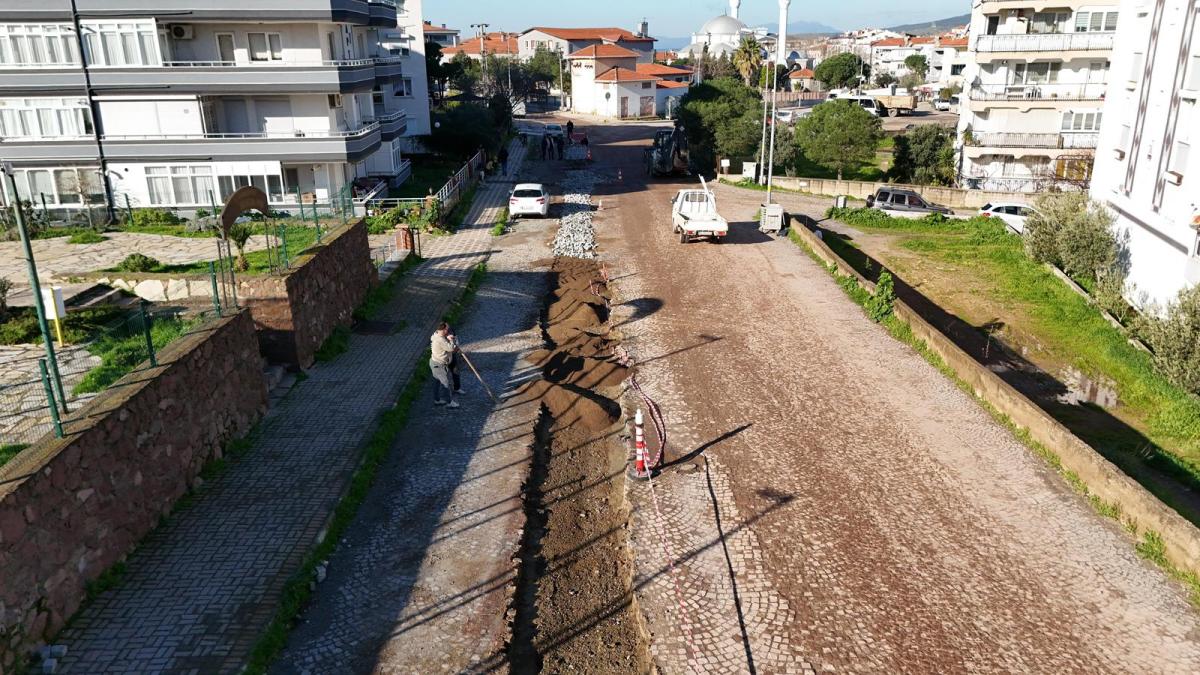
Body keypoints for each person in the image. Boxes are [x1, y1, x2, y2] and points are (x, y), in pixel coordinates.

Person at [430, 323, 459, 408]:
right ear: (443, 330)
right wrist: (451, 340)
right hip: (438, 365)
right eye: (447, 329)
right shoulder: (440, 340)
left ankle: (437, 400)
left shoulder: (436, 335)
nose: (448, 331)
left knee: (437, 382)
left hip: (435, 363)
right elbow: (451, 348)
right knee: (445, 383)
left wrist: (447, 338)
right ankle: (449, 402)